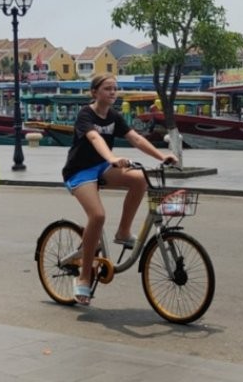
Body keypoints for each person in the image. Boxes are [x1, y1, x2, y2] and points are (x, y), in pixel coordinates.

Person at [62, 74, 178, 306]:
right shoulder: (86, 114)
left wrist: (162, 155)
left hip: (103, 167)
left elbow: (135, 138)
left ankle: (123, 233)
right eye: (107, 89)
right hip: (80, 171)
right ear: (94, 92)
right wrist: (112, 157)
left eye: (115, 89)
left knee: (139, 179)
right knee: (98, 216)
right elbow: (95, 138)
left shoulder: (114, 116)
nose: (113, 92)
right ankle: (84, 277)